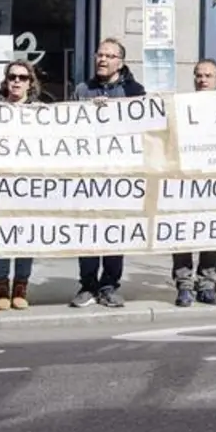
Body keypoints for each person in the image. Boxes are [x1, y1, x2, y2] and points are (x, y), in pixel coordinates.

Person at [70, 38, 146, 309]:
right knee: (88, 231)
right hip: (88, 173)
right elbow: (70, 129)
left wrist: (115, 113)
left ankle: (109, 285)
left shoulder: (134, 91)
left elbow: (142, 130)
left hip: (119, 174)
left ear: (120, 62)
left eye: (110, 56)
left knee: (114, 231)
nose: (103, 60)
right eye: (100, 55)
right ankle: (87, 284)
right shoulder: (82, 90)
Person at [172, 59, 216, 307]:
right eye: (198, 75)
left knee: (212, 232)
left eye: (208, 75)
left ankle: (207, 285)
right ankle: (184, 286)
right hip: (186, 180)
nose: (202, 80)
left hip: (215, 181)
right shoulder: (181, 106)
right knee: (182, 233)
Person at [0, 59, 39, 312]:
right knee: (0, 235)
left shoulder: (41, 111)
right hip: (0, 182)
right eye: (12, 77)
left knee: (24, 235)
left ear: (30, 82)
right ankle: (0, 286)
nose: (17, 81)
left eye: (22, 77)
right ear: (6, 81)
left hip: (29, 183)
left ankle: (20, 286)